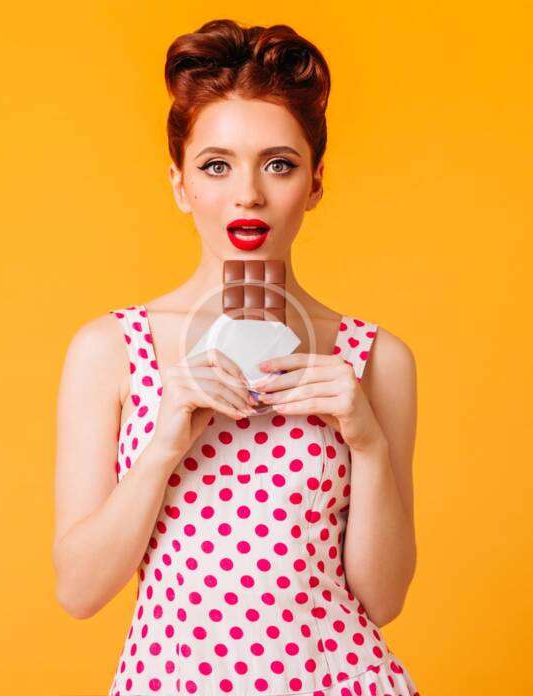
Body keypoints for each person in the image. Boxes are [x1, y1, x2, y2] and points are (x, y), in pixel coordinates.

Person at [52, 18, 420, 696]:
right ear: (179, 183)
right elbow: (78, 590)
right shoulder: (111, 350)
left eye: (279, 164)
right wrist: (164, 445)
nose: (248, 193)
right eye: (216, 165)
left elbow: (384, 599)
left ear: (315, 183)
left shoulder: (374, 359)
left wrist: (367, 442)